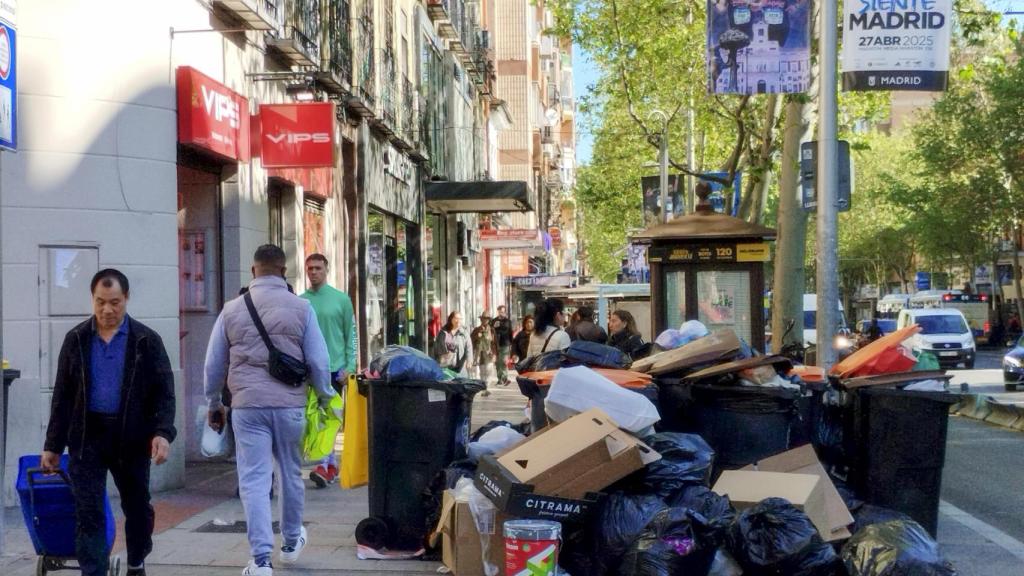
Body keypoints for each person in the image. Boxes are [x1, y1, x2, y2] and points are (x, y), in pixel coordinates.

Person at [204, 245, 336, 576]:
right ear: (283, 272)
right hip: (290, 405)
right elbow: (319, 362)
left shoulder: (231, 309)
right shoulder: (302, 308)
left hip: (247, 408)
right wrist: (323, 397)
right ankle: (291, 543)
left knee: (254, 480)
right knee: (290, 474)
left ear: (253, 272)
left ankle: (261, 559)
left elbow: (213, 363)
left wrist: (214, 402)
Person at [41, 269, 176, 576]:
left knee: (138, 510)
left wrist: (162, 433)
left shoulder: (146, 341)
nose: (107, 310)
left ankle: (136, 560)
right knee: (88, 513)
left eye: (115, 302)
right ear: (93, 299)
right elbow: (62, 396)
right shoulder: (76, 339)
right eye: (101, 302)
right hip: (87, 437)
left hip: (131, 438)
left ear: (126, 298)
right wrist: (52, 445)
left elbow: (165, 394)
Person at [301, 253, 357, 488]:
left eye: (318, 268)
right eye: (310, 268)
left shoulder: (341, 300)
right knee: (312, 419)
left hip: (334, 370)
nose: (313, 272)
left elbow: (350, 335)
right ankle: (328, 465)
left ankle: (325, 465)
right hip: (308, 370)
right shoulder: (301, 301)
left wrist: (350, 368)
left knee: (330, 420)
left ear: (326, 270)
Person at [433, 311, 473, 377]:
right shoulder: (443, 332)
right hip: (446, 364)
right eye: (456, 318)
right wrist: (437, 360)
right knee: (448, 383)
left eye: (460, 319)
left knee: (460, 383)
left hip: (460, 365)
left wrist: (469, 360)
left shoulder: (464, 333)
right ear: (451, 319)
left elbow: (468, 347)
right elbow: (437, 347)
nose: (458, 321)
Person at [491, 305, 514, 386]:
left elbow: (510, 332)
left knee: (503, 362)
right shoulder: (494, 321)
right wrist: (494, 327)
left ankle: (504, 378)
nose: (502, 313)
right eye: (500, 311)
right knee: (498, 363)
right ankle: (500, 378)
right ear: (498, 311)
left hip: (505, 344)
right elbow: (491, 331)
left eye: (503, 312)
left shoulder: (508, 321)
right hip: (496, 344)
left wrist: (511, 344)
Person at [471, 313, 496, 385]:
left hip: (489, 353)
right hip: (479, 354)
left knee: (489, 371)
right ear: (481, 319)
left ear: (489, 320)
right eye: (483, 318)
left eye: (486, 319)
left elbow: (494, 343)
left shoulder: (491, 330)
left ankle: (486, 386)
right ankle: (483, 386)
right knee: (481, 372)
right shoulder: (476, 329)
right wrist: (477, 336)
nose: (485, 320)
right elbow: (470, 340)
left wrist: (495, 354)